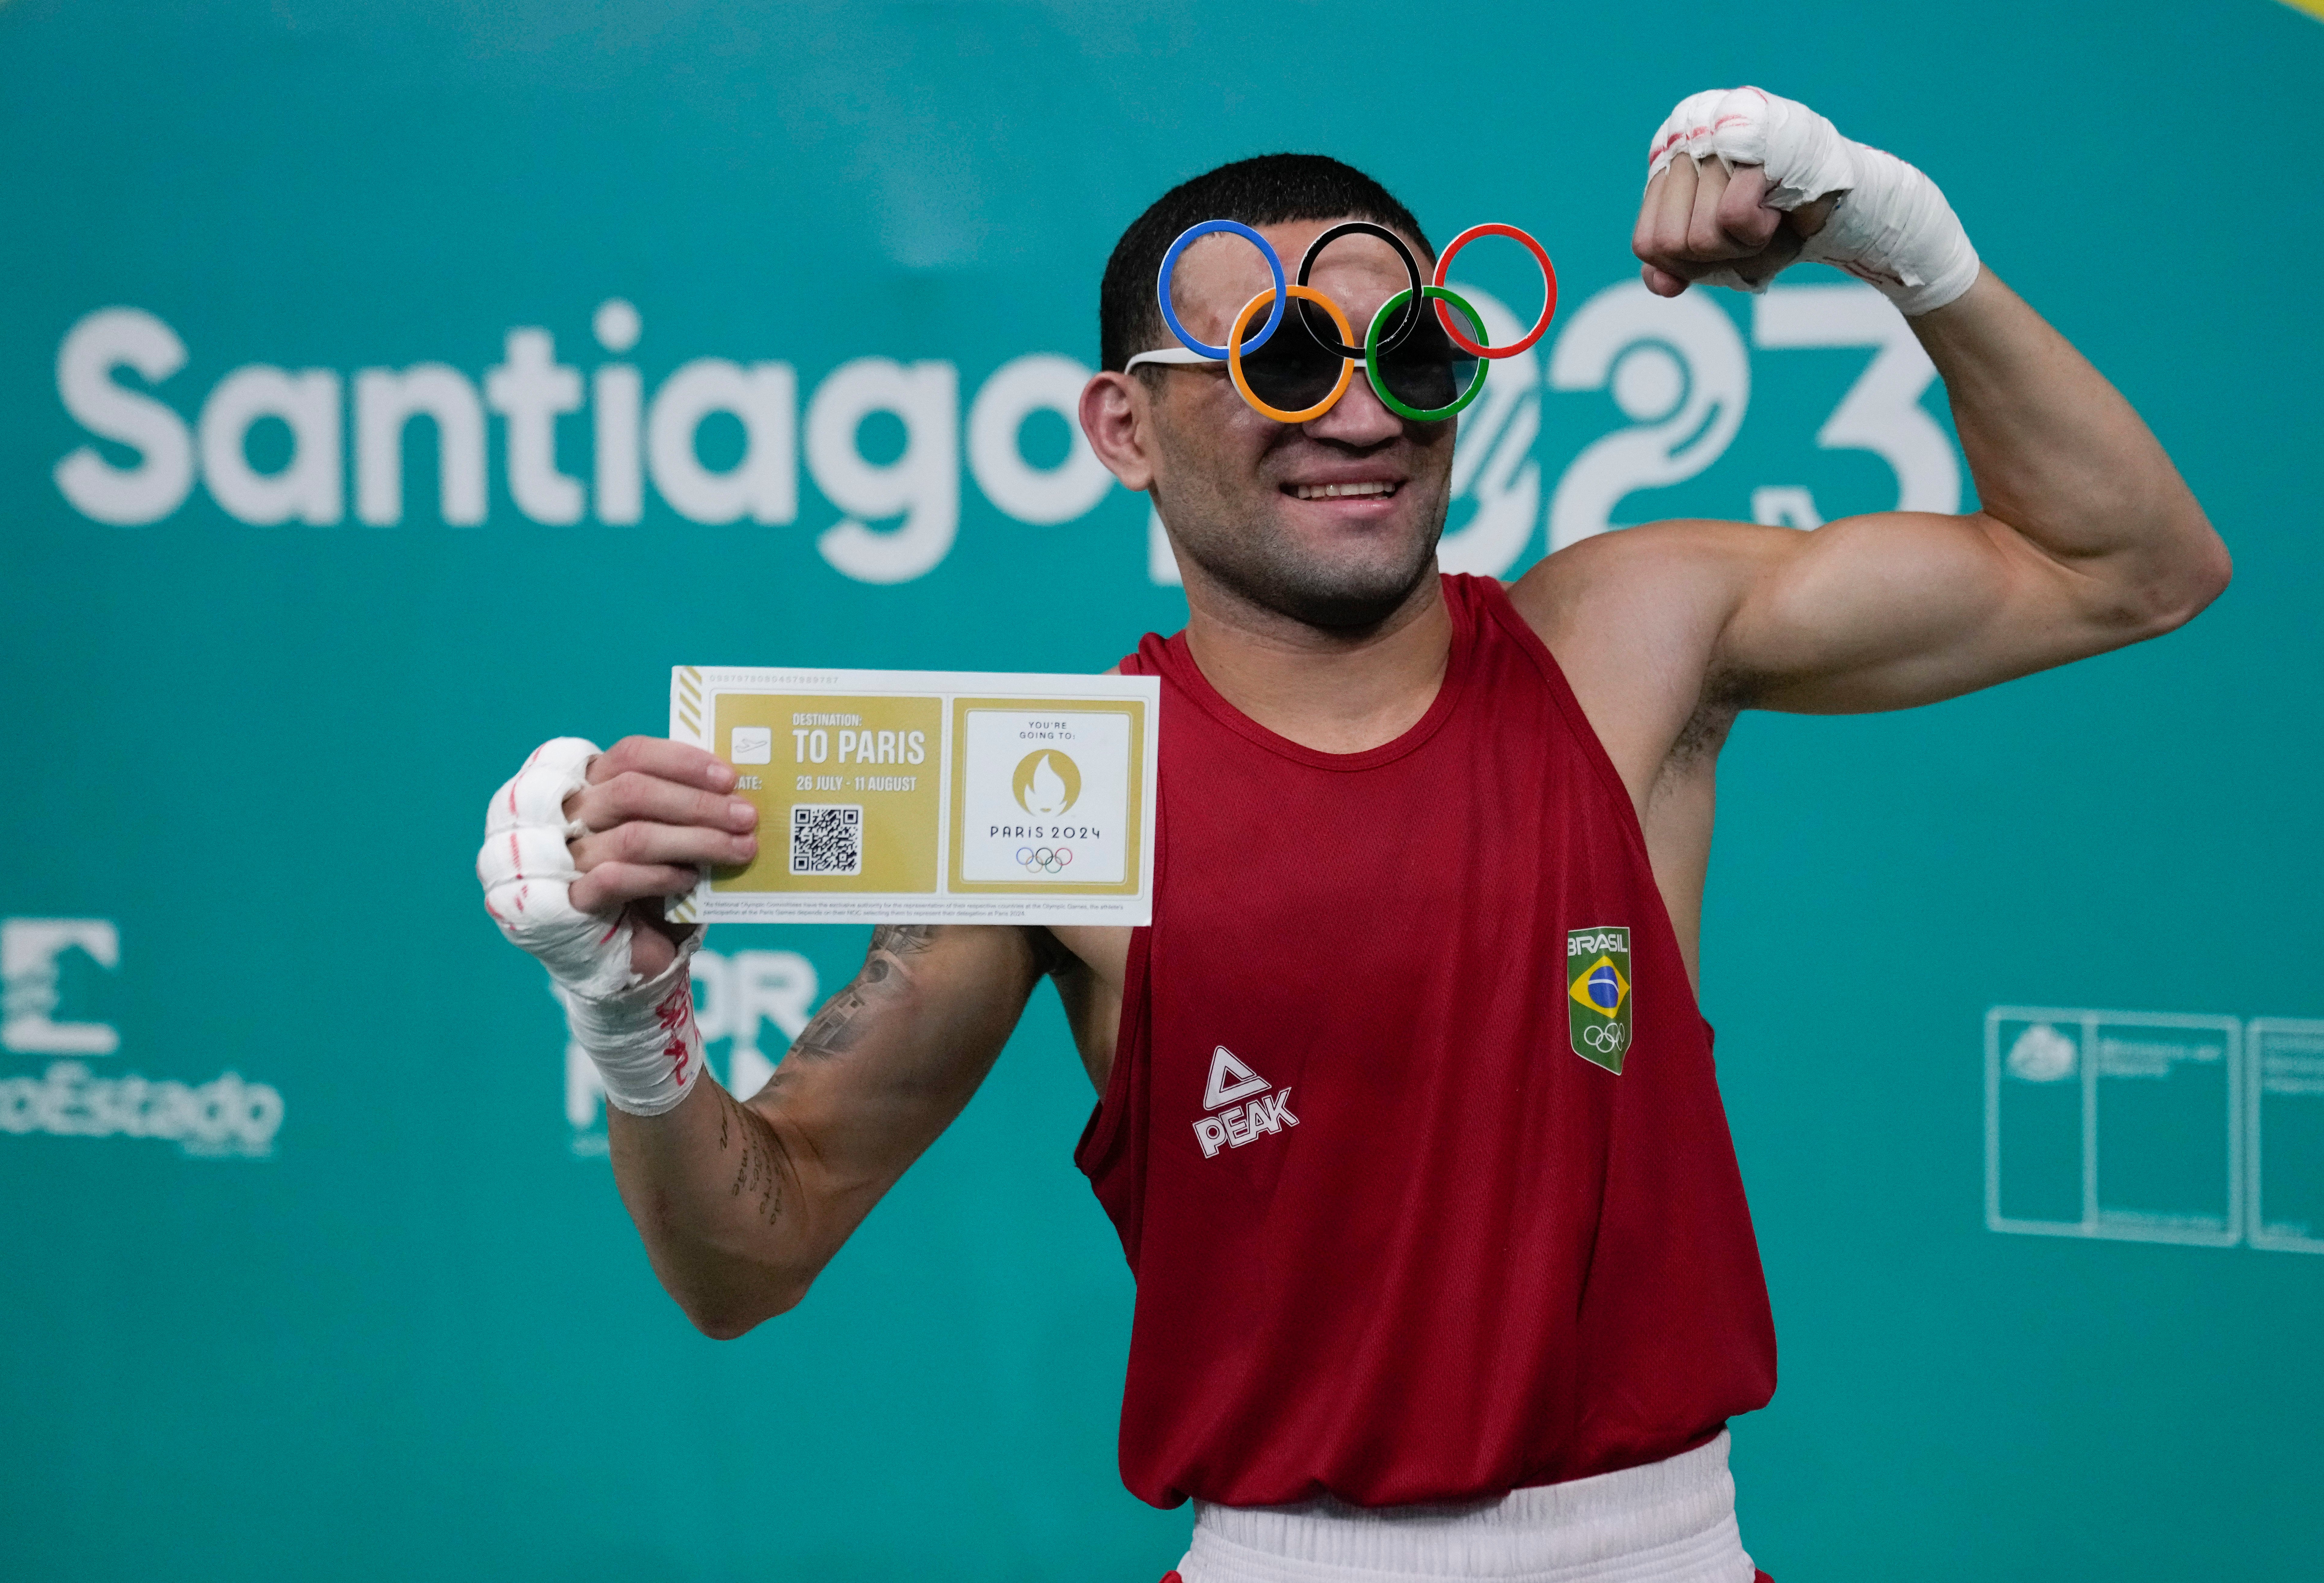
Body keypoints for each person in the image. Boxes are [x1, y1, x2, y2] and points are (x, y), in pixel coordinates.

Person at [477, 88, 2228, 1582]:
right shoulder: (1053, 790)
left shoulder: (1622, 641)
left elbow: (2128, 567)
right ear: (1122, 428)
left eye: (1412, 346)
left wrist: (1895, 235)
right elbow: (748, 1254)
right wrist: (622, 1018)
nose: (1363, 408)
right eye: (1280, 358)